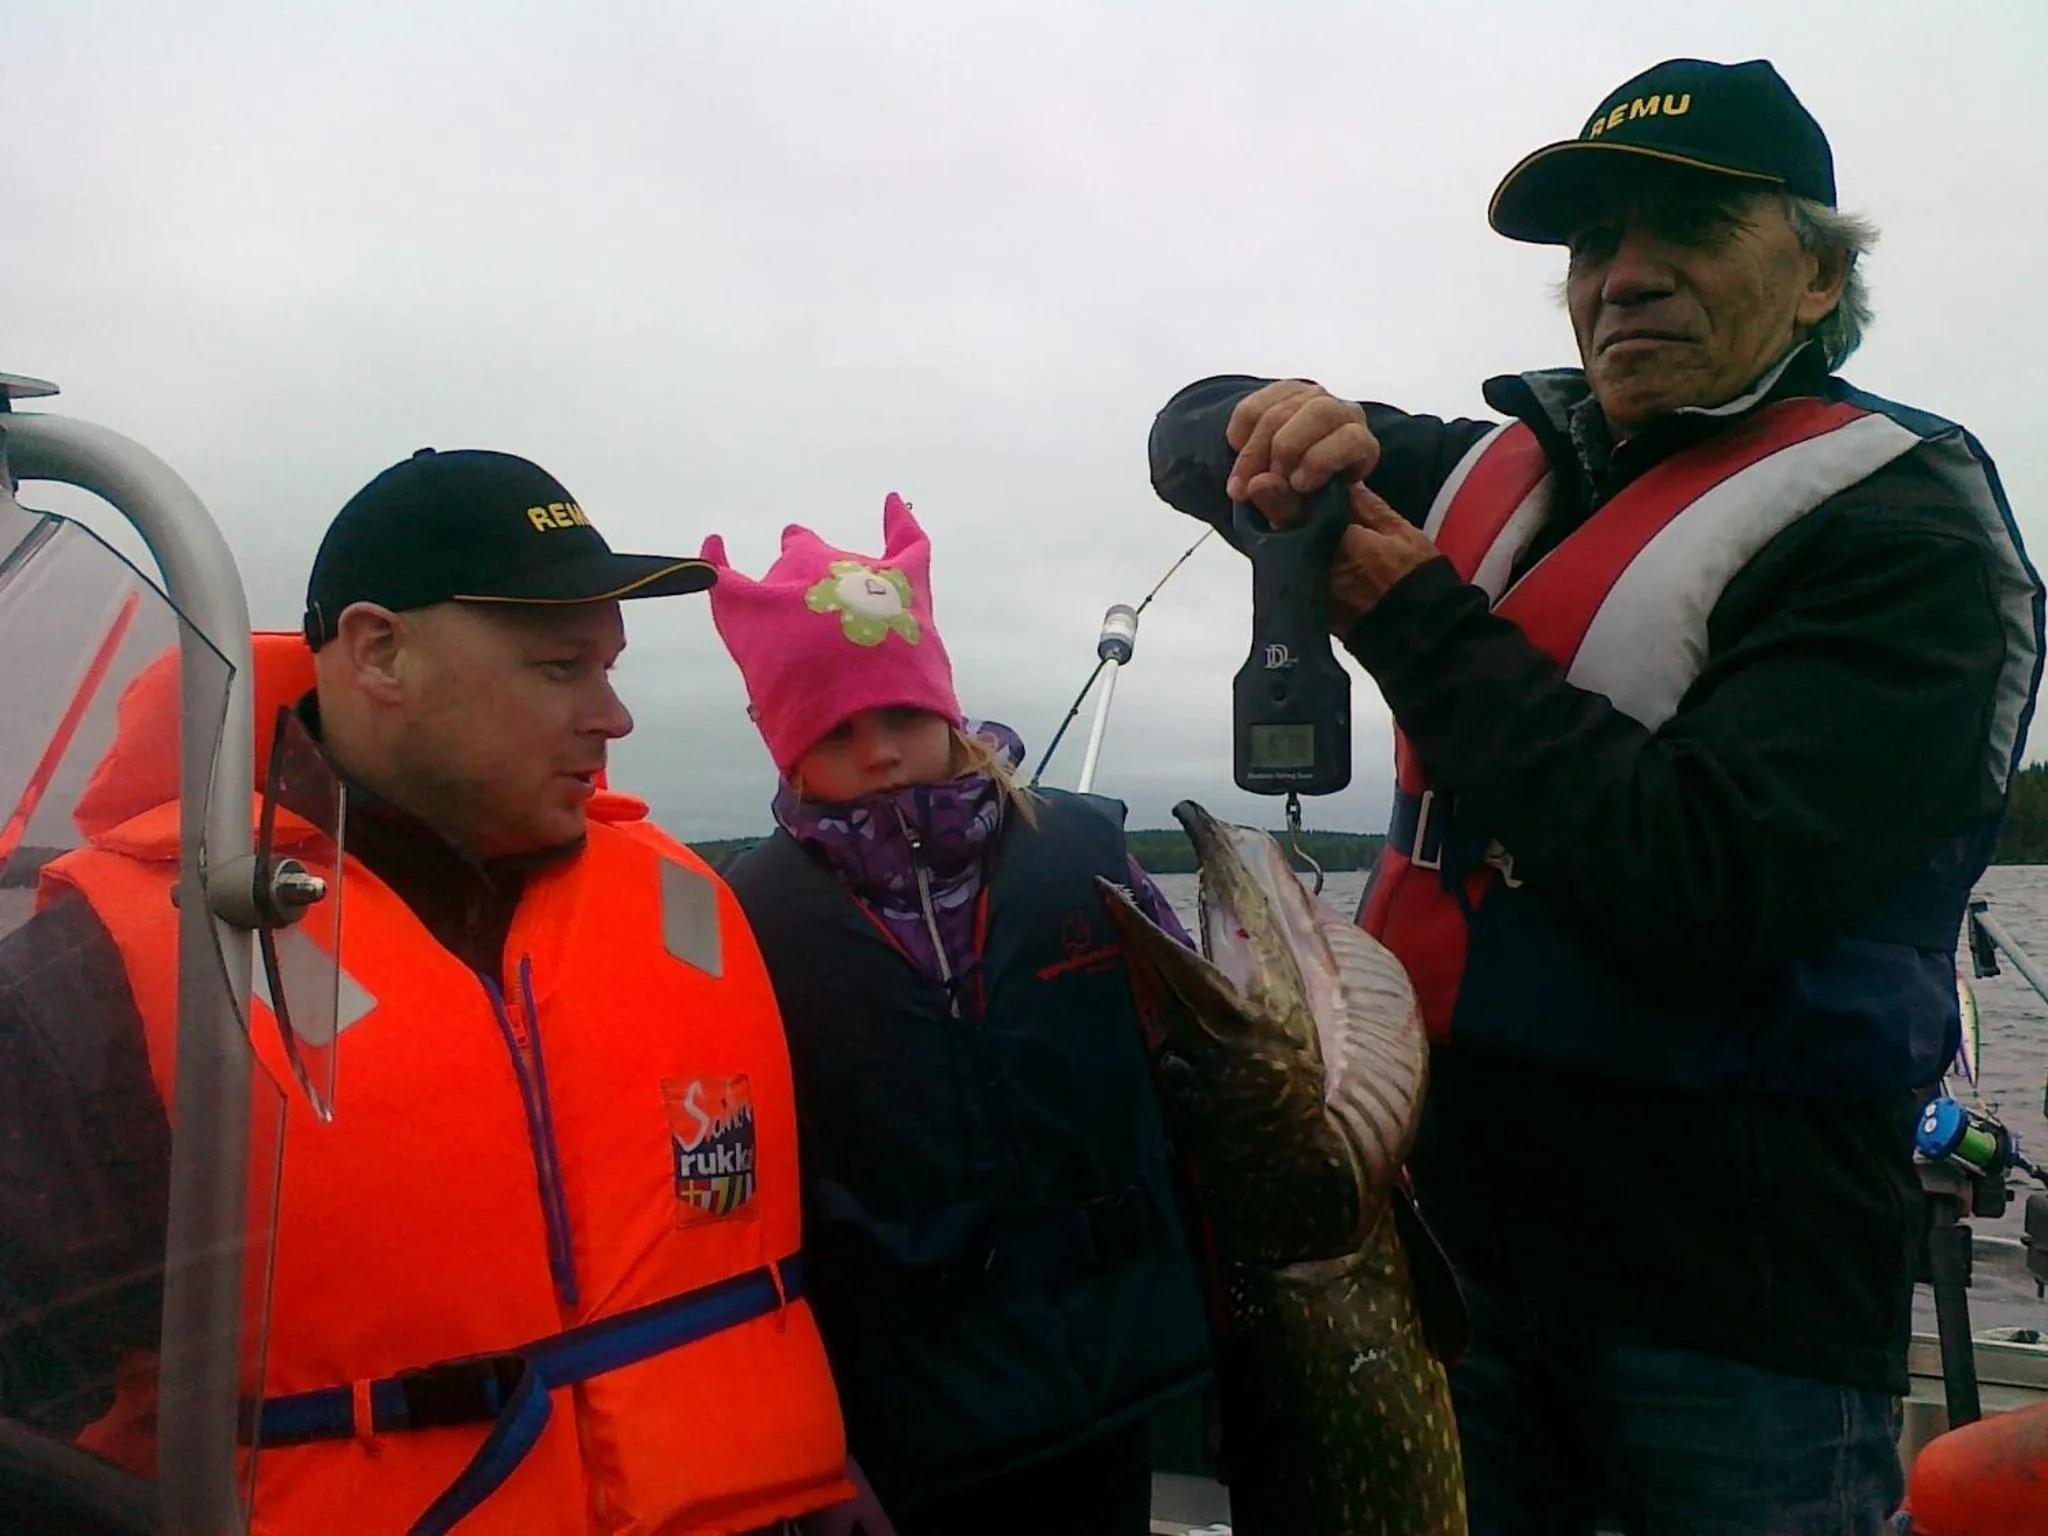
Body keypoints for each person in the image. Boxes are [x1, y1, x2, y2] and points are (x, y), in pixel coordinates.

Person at [1146, 55, 2043, 1535]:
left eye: (1685, 230)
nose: (1624, 276)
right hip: (1451, 1245)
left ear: (1819, 275)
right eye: (1594, 243)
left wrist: (1417, 621)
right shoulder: (1493, 468)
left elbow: (1710, 884)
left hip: (1725, 1310)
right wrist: (1253, 414)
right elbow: (1187, 444)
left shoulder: (1905, 534)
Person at [0, 446, 857, 1533]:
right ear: (378, 652)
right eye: (559, 668)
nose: (613, 718)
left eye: (609, 669)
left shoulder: (692, 905)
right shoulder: (103, 974)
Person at [699, 494, 1212, 1536]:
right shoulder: (747, 922)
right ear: (785, 748)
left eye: (900, 717)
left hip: (1112, 1362)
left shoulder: (1083, 859)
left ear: (945, 709)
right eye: (837, 732)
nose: (879, 752)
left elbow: (1203, 1051)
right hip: (907, 1408)